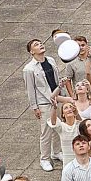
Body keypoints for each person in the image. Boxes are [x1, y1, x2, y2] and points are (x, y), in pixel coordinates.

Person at [22, 42, 61, 172]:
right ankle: (44, 158)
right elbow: (30, 89)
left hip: (57, 98)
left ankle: (56, 152)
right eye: (37, 44)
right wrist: (35, 107)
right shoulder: (29, 69)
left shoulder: (50, 60)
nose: (41, 45)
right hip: (44, 102)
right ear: (31, 52)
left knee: (58, 127)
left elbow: (56, 79)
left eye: (41, 43)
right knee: (46, 132)